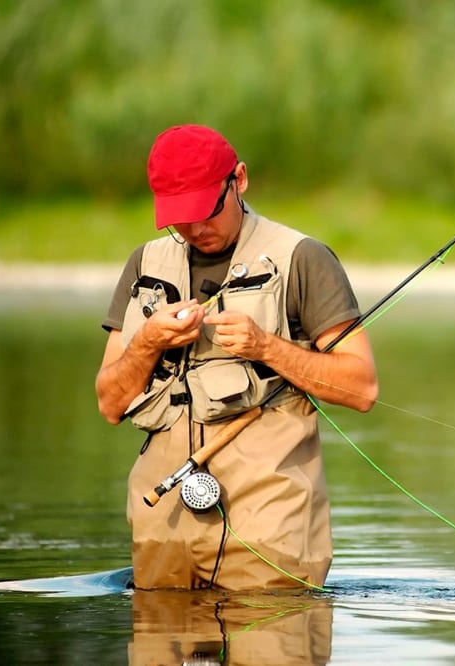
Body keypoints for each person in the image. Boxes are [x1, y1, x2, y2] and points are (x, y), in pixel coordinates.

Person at [95, 124, 378, 591]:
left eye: (207, 211)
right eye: (179, 218)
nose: (196, 229)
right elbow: (109, 404)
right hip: (161, 525)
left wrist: (265, 346)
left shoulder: (303, 258)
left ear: (239, 180)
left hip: (271, 529)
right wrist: (146, 341)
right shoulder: (143, 264)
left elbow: (362, 387)